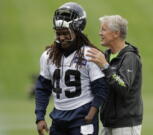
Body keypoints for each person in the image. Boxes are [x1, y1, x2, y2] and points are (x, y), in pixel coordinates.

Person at [35, 2, 108, 135]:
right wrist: (40, 117)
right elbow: (42, 89)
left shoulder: (90, 54)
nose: (61, 37)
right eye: (58, 33)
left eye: (65, 33)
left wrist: (91, 114)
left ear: (77, 31)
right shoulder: (48, 56)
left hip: (82, 114)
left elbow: (101, 88)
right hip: (58, 117)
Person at [86, 15, 143, 135]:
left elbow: (124, 87)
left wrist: (105, 66)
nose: (99, 33)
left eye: (103, 29)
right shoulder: (106, 55)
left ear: (116, 33)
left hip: (125, 125)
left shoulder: (129, 57)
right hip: (108, 123)